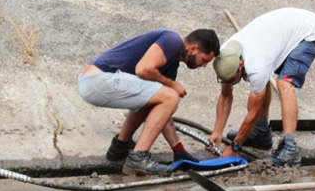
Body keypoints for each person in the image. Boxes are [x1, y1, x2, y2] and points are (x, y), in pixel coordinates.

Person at [79, 28, 220, 175]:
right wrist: (172, 85)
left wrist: (178, 150)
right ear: (193, 49)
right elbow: (143, 69)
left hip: (98, 82)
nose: (203, 66)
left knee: (158, 98)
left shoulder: (171, 65)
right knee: (170, 96)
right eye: (205, 60)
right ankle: (138, 158)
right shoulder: (172, 40)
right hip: (97, 79)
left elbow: (163, 114)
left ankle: (120, 147)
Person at [209, 8, 315, 166]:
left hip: (311, 32)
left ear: (241, 64)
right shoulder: (226, 56)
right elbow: (225, 95)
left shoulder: (256, 65)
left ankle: (290, 148)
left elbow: (252, 113)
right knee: (263, 80)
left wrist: (235, 147)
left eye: (233, 79)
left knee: (284, 83)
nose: (231, 83)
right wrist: (217, 131)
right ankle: (261, 132)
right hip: (284, 32)